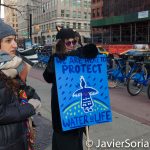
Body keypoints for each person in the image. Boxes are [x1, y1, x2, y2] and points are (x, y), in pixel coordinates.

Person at [43, 27, 98, 150]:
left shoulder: (78, 55)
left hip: (78, 110)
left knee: (77, 141)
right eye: (68, 42)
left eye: (74, 42)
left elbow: (93, 50)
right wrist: (58, 59)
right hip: (62, 112)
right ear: (61, 43)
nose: (72, 45)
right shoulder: (56, 58)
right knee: (65, 142)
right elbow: (47, 77)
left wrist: (75, 54)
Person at [0, 19, 41, 150]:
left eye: (14, 40)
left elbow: (18, 89)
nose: (15, 45)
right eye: (8, 41)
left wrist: (30, 93)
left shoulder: (11, 67)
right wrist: (30, 107)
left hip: (17, 138)